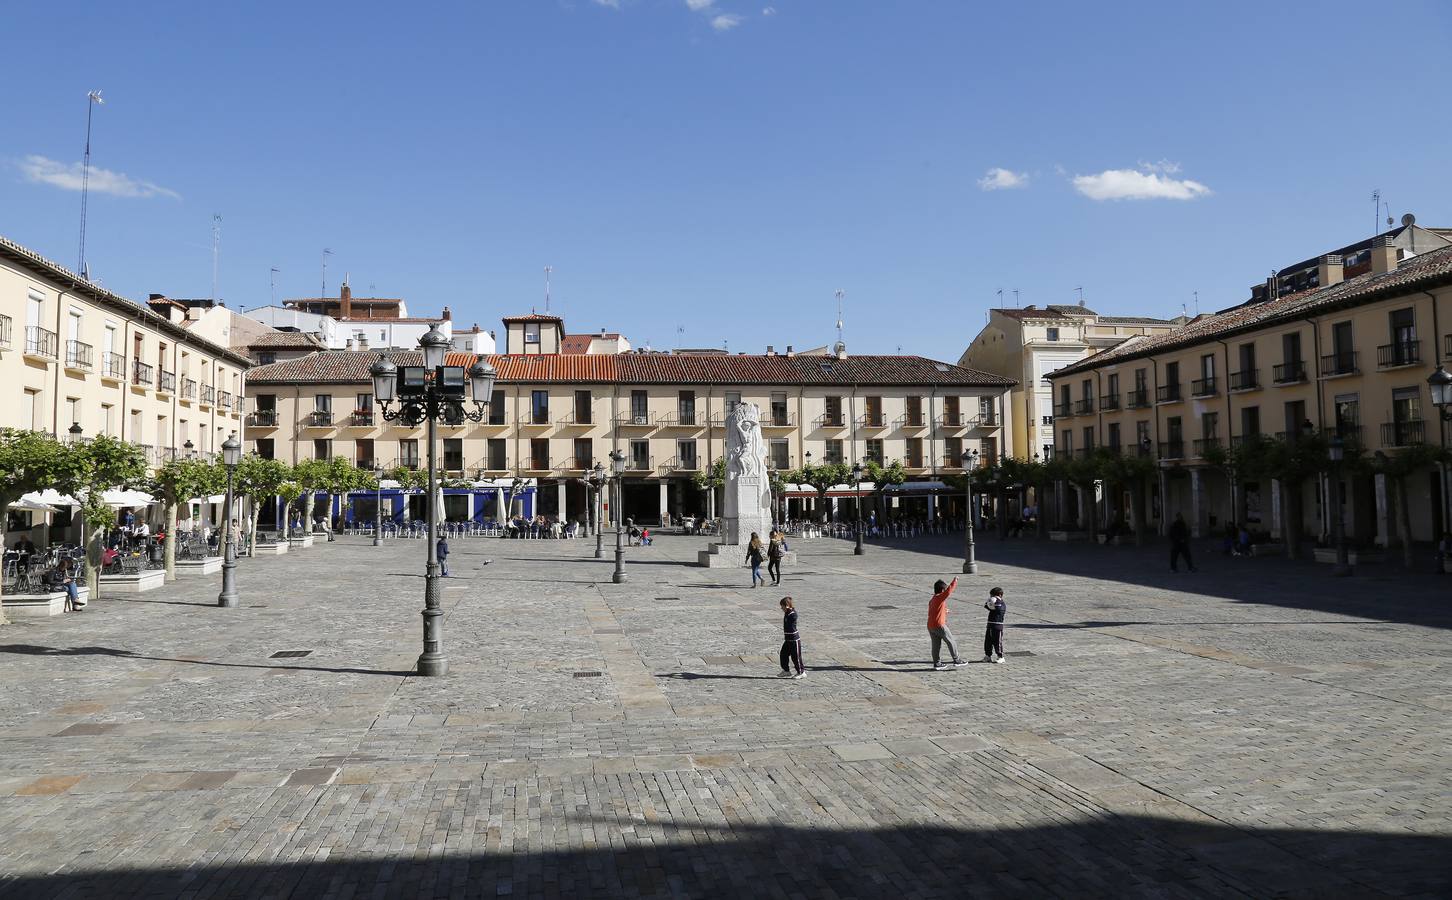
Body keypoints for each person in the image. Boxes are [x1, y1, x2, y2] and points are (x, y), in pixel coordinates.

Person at [927, 576, 966, 670]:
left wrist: (944, 611)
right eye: (944, 589)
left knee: (936, 645)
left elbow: (933, 611)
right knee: (951, 641)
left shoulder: (933, 599)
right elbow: (949, 591)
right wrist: (954, 581)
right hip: (939, 625)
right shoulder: (940, 597)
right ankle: (957, 660)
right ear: (942, 590)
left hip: (930, 625)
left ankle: (937, 663)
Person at [777, 596, 805, 679]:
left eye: (782, 606)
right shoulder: (787, 613)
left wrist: (788, 609)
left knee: (796, 656)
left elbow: (792, 619)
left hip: (794, 639)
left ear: (786, 606)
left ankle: (801, 672)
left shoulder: (792, 614)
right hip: (788, 639)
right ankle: (786, 671)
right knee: (783, 654)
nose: (781, 608)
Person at [983, 586, 1007, 663]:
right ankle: (988, 656)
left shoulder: (1001, 603)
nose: (992, 597)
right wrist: (989, 603)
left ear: (999, 595)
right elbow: (986, 606)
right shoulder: (993, 601)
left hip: (997, 625)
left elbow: (998, 610)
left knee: (997, 642)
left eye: (993, 595)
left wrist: (994, 602)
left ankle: (1000, 656)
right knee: (988, 642)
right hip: (990, 624)